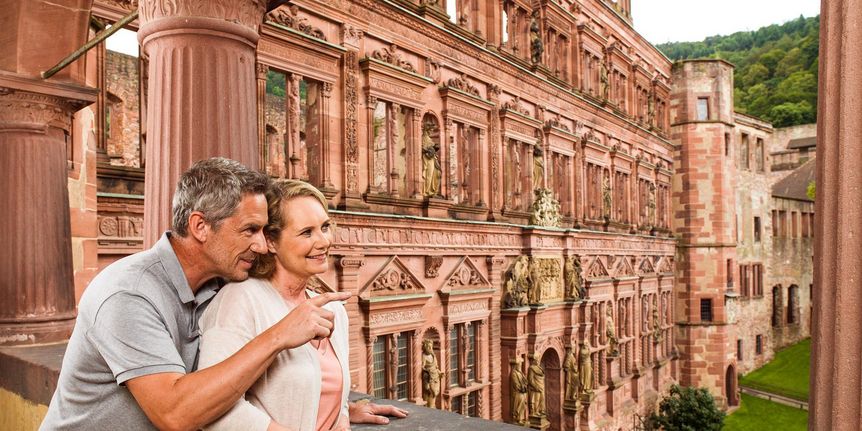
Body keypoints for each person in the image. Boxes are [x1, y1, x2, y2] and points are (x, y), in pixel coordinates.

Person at [40, 158, 401, 430]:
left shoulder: (217, 282)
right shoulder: (128, 294)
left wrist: (332, 408)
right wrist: (279, 336)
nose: (261, 245)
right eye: (250, 230)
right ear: (200, 227)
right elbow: (175, 413)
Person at [198, 179, 409, 431]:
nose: (323, 241)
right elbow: (214, 410)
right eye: (306, 232)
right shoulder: (239, 301)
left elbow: (329, 391)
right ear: (272, 242)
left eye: (325, 227)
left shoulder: (333, 311)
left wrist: (343, 414)